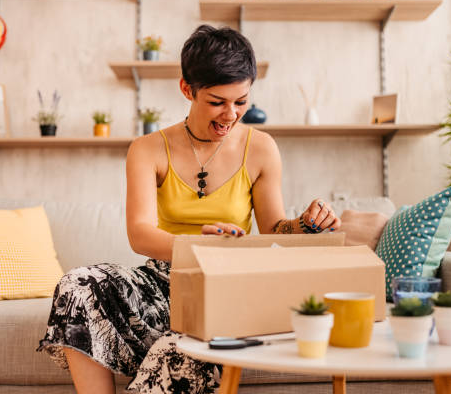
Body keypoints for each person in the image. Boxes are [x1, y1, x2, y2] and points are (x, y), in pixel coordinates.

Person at [37, 24, 341, 394]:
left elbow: (275, 230)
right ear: (187, 89)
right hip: (162, 284)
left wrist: (307, 224)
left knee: (179, 353)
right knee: (77, 284)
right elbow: (140, 234)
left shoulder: (261, 149)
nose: (230, 114)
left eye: (241, 101)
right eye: (217, 102)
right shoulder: (147, 149)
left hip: (225, 289)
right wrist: (200, 244)